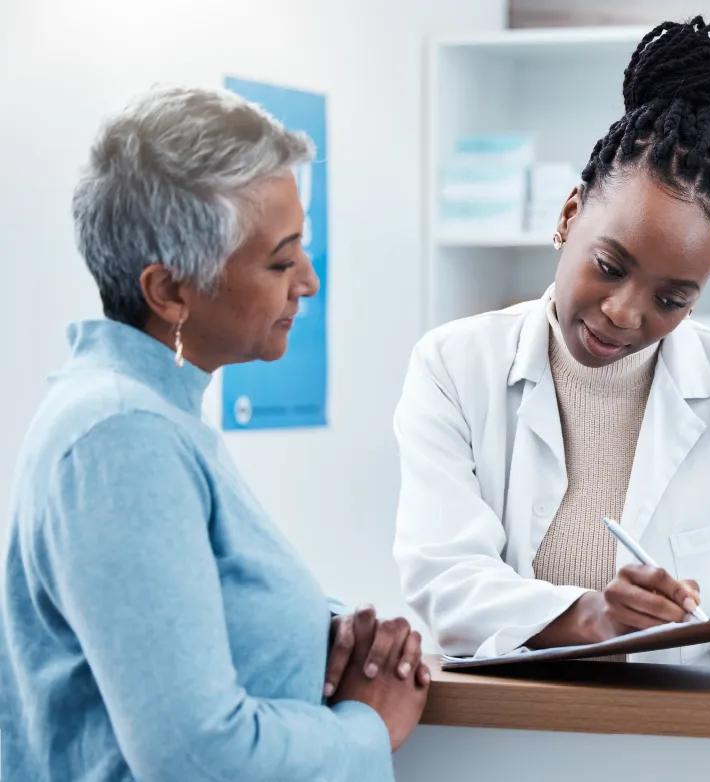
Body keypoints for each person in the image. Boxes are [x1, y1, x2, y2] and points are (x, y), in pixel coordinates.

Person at [393, 17, 710, 674]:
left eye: (672, 299)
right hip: (502, 741)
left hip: (684, 749)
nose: (624, 313)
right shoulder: (455, 366)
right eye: (609, 265)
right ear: (570, 214)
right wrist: (596, 617)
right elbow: (444, 579)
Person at [0, 86, 427, 781]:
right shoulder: (121, 436)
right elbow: (197, 755)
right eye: (281, 262)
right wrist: (368, 728)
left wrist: (319, 635)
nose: (309, 283)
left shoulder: (151, 419)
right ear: (169, 291)